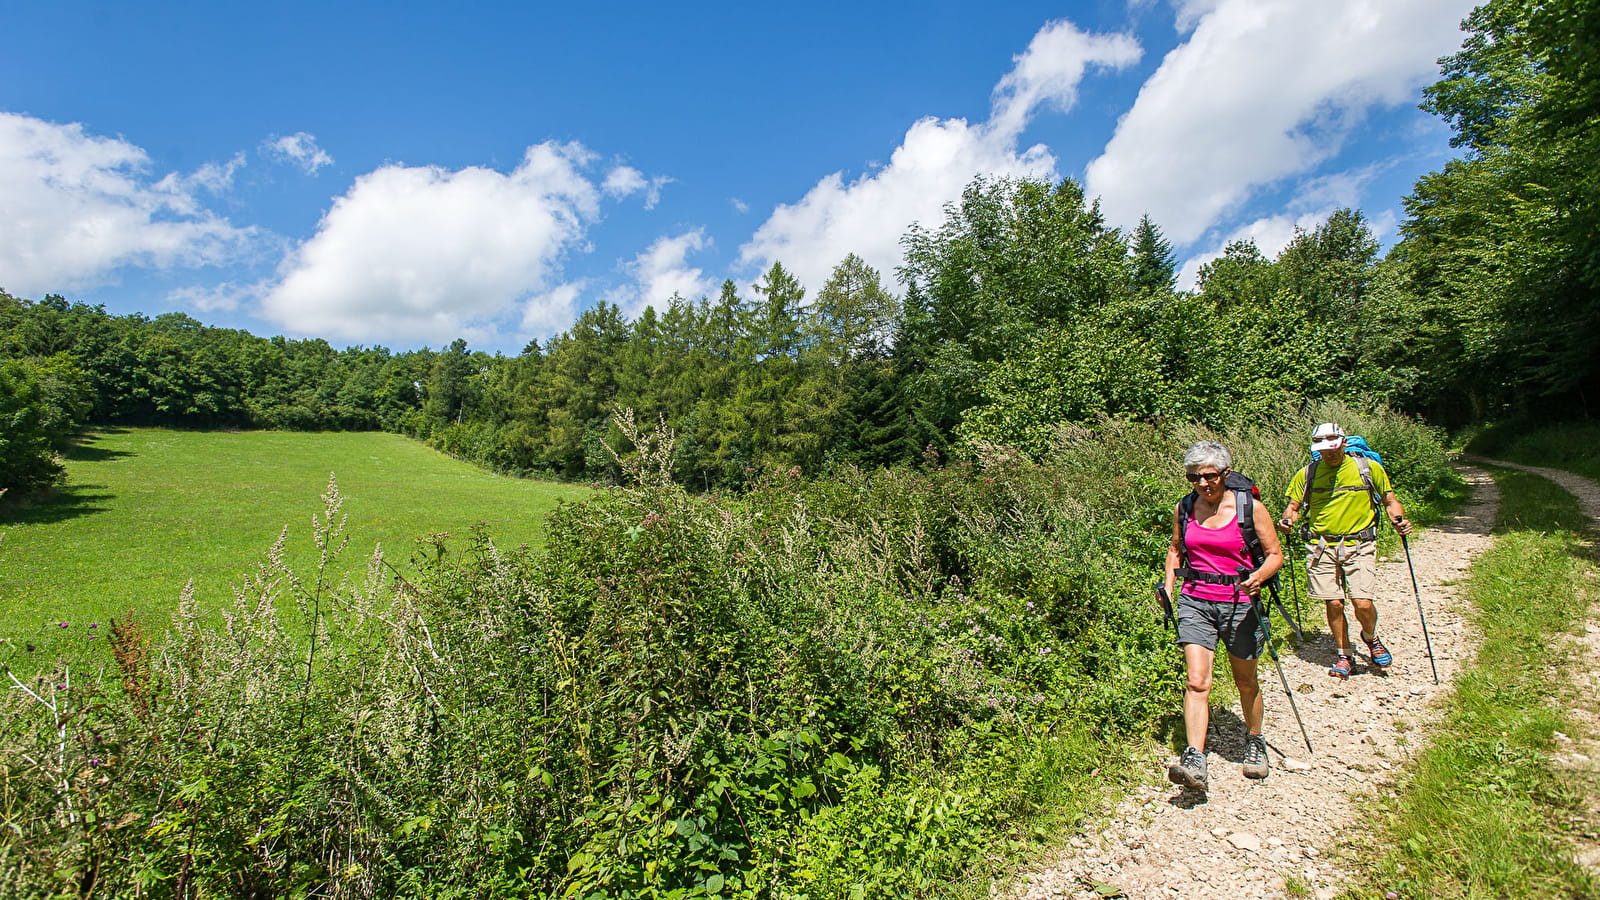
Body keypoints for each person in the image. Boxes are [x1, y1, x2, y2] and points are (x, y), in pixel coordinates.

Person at [1163, 441, 1283, 792]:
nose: (1202, 483)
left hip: (1240, 604)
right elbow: (1175, 549)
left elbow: (1275, 553)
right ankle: (1194, 759)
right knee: (1197, 681)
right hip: (1196, 601)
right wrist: (1169, 588)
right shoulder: (1185, 507)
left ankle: (1255, 739)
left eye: (1209, 476)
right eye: (1194, 477)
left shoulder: (1251, 508)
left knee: (1246, 681)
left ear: (1225, 474)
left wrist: (1259, 577)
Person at [1277, 423, 1412, 679]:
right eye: (1323, 449)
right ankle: (1344, 653)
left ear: (1343, 443)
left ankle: (1370, 637)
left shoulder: (1368, 468)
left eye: (1333, 448)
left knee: (1362, 602)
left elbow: (1389, 500)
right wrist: (1287, 521)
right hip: (1320, 546)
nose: (1329, 453)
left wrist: (1399, 520)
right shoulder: (1307, 473)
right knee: (1334, 602)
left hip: (1360, 544)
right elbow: (1293, 507)